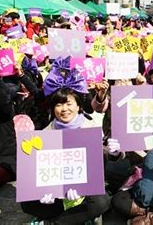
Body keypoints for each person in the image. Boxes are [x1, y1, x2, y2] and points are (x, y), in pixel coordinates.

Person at [20, 67, 112, 224]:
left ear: (78, 106)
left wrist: (113, 152)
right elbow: (38, 172)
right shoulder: (44, 134)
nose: (64, 109)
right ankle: (67, 215)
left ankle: (54, 222)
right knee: (28, 202)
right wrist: (44, 190)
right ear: (53, 108)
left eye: (69, 103)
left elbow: (100, 164)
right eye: (58, 105)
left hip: (84, 187)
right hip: (57, 189)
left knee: (101, 202)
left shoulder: (90, 128)